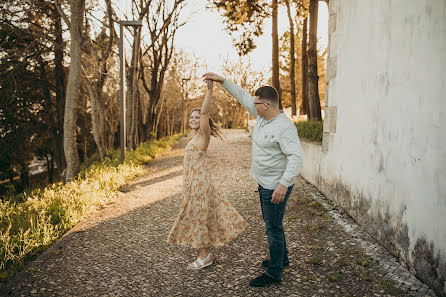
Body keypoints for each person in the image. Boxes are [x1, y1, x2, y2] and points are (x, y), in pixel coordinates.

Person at [202, 72, 303, 287]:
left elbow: (296, 157)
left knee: (273, 229)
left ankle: (274, 273)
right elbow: (242, 96)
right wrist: (221, 81)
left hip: (275, 186)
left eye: (256, 103)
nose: (252, 105)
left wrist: (283, 185)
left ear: (265, 105)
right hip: (263, 182)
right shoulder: (262, 116)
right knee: (275, 224)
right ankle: (282, 259)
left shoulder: (284, 127)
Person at [167, 79, 247, 270]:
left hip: (199, 185)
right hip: (193, 185)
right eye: (192, 117)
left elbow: (205, 112)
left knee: (198, 219)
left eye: (197, 117)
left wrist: (209, 90)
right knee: (200, 218)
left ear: (203, 121)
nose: (194, 119)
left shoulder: (204, 135)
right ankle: (206, 254)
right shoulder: (193, 138)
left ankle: (204, 257)